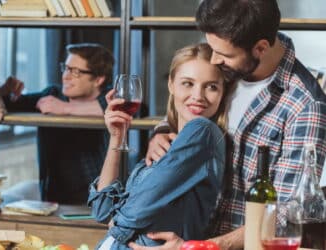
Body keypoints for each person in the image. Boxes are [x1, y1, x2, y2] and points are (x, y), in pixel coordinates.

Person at [130, 0, 326, 249]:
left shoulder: (305, 106)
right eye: (212, 49)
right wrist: (164, 131)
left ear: (261, 48)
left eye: (223, 54)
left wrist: (203, 246)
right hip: (180, 232)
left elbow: (287, 211)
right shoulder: (229, 65)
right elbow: (190, 101)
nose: (214, 60)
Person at [88, 43, 236, 249]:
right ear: (171, 85)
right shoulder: (167, 141)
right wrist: (116, 137)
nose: (198, 96)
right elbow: (102, 209)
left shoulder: (203, 131)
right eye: (187, 83)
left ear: (222, 92)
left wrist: (117, 223)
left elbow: (123, 215)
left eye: (211, 86)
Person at [0, 43, 115, 204]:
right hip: (54, 198)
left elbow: (130, 106)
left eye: (75, 72)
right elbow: (8, 105)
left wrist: (66, 108)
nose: (66, 76)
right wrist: (3, 90)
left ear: (98, 79)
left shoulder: (110, 97)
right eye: (66, 68)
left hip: (97, 197)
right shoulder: (53, 94)